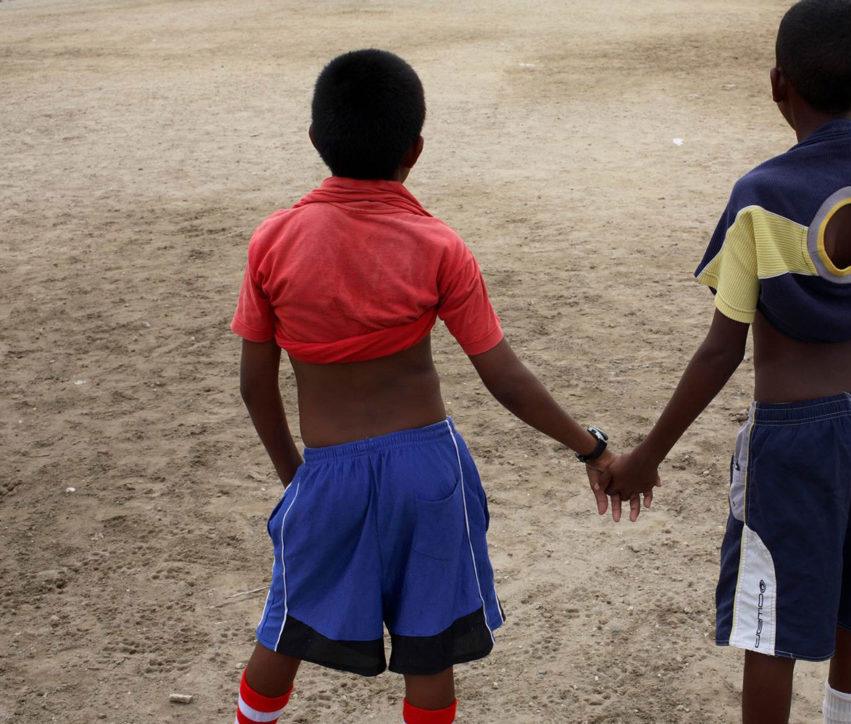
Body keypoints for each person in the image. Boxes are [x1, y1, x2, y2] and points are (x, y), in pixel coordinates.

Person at [229, 49, 649, 724]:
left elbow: (256, 385)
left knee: (284, 629)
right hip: (429, 472)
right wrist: (592, 450)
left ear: (315, 140)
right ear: (415, 151)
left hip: (328, 472)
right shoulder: (438, 245)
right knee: (428, 651)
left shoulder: (273, 241)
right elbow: (504, 378)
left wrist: (297, 481)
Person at [600, 1, 851, 721]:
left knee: (770, 622)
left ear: (777, 84)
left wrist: (647, 455)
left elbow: (723, 345)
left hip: (792, 434)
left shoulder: (762, 195)